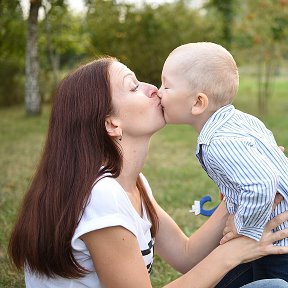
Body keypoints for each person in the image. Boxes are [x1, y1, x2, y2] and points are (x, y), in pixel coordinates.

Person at [8, 57, 288, 288]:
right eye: (133, 87)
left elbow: (186, 255)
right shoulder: (101, 197)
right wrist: (241, 247)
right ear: (111, 124)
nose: (153, 88)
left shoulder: (133, 183)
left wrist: (245, 183)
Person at [158, 42, 288, 286]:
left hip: (276, 243)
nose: (159, 92)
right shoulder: (241, 121)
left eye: (166, 85)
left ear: (198, 102)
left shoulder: (217, 142)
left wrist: (242, 226)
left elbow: (262, 183)